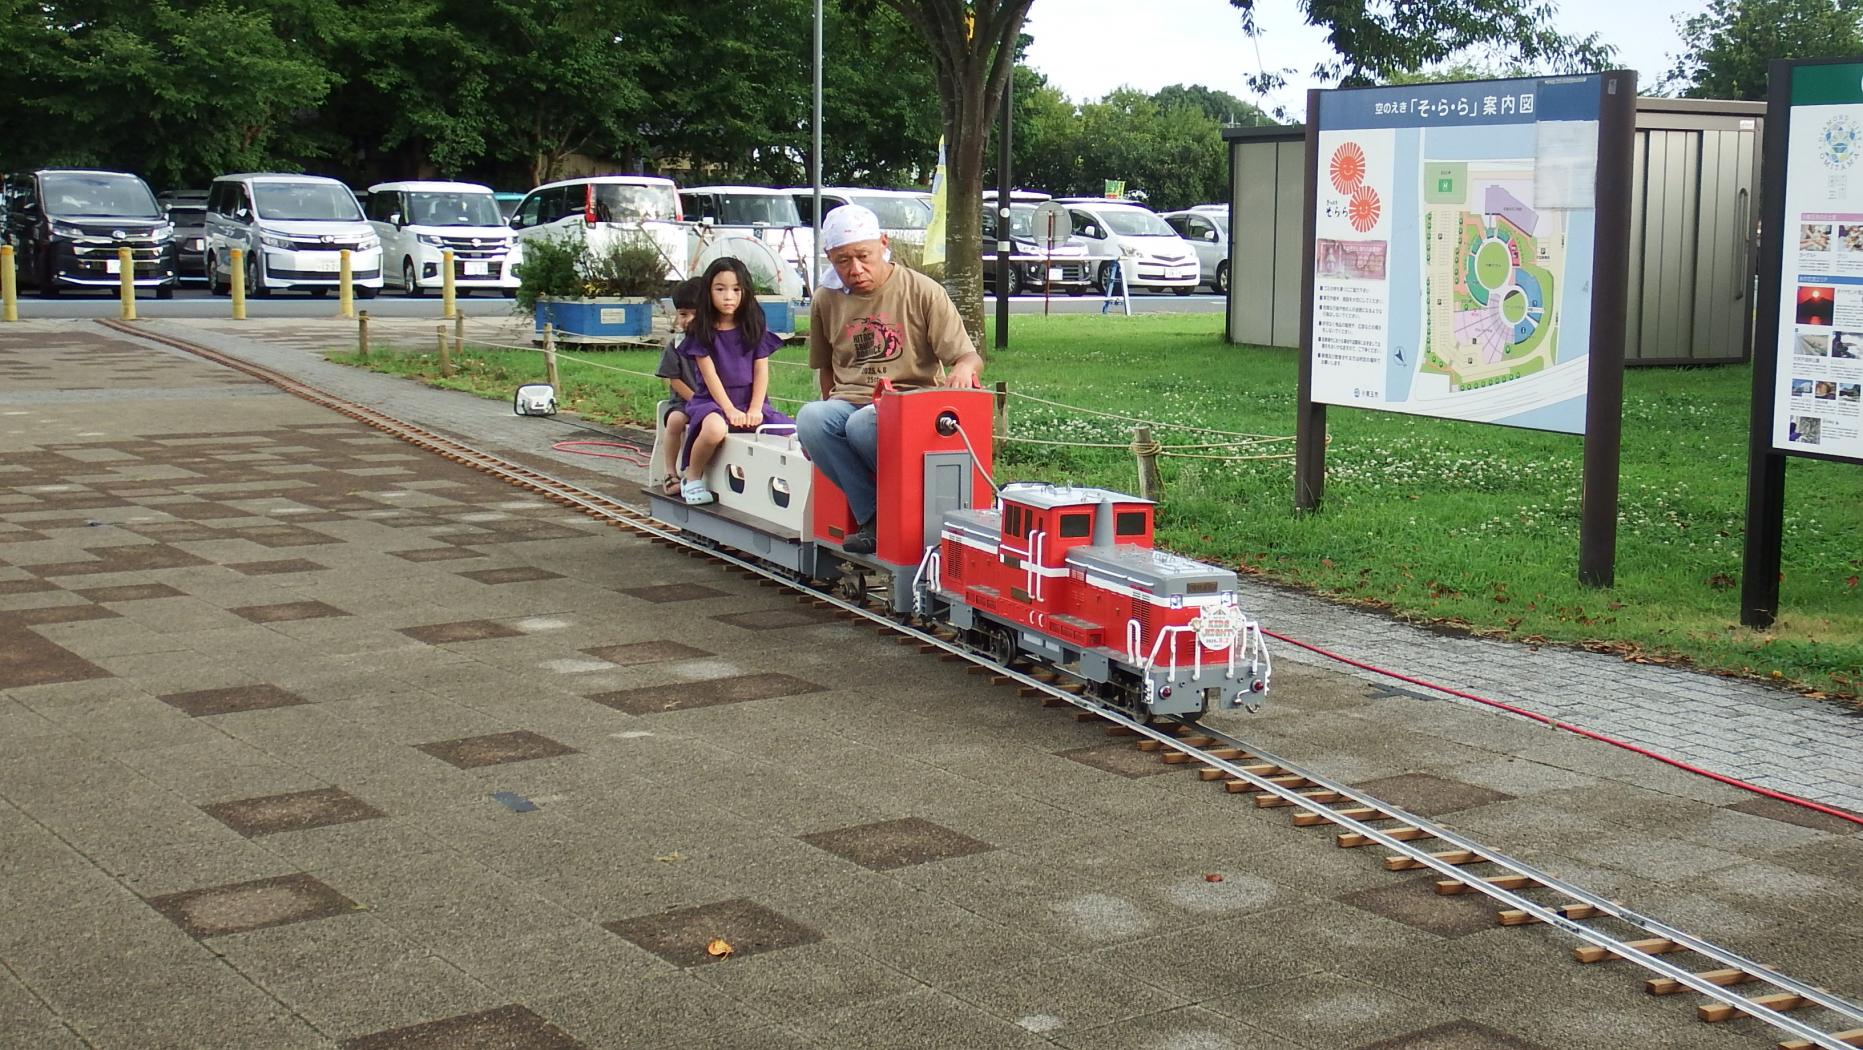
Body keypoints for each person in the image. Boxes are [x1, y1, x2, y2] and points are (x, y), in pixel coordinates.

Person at [798, 204, 984, 554]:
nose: (855, 269)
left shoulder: (923, 290)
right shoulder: (826, 298)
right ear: (829, 258)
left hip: (909, 402)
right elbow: (826, 369)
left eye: (864, 256)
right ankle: (874, 516)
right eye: (842, 261)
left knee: (863, 424)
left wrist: (962, 368)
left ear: (883, 243)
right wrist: (819, 429)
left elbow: (969, 356)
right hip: (850, 400)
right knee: (812, 418)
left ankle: (891, 507)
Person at [677, 257, 795, 506]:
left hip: (750, 400)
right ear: (708, 291)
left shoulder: (753, 327)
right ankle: (692, 476)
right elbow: (710, 377)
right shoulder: (702, 331)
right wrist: (728, 409)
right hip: (712, 401)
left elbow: (761, 371)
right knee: (715, 429)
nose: (728, 296)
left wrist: (754, 408)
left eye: (736, 289)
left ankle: (782, 488)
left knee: (792, 431)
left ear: (746, 292)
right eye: (720, 289)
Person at [653, 277, 704, 495]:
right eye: (683, 314)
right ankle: (669, 472)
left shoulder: (716, 344)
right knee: (674, 421)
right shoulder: (676, 345)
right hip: (684, 402)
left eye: (695, 314)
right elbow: (673, 379)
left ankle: (699, 472)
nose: (688, 320)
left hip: (711, 402)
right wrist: (696, 400)